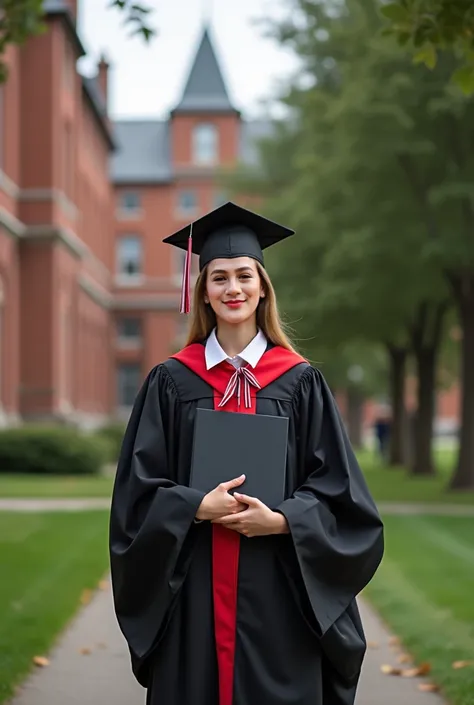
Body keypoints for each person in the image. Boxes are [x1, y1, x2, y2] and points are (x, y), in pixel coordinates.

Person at [109, 202, 384, 705]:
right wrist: (194, 507)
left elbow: (341, 493)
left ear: (262, 287)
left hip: (278, 586)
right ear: (204, 294)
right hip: (193, 586)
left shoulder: (301, 383)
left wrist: (283, 521)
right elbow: (136, 493)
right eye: (219, 278)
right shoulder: (171, 382)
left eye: (243, 276)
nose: (232, 288)